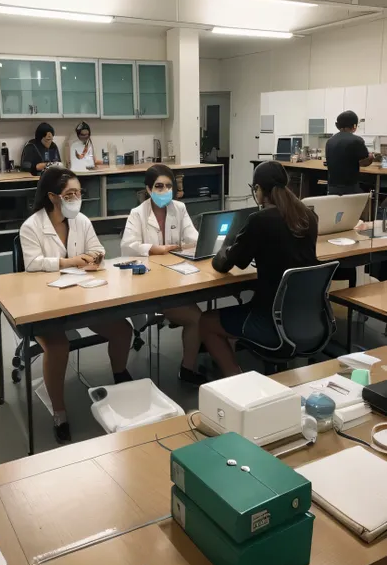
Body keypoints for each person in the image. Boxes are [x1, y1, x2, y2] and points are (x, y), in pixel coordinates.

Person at [20, 166, 132, 444]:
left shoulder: (80, 220)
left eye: (78, 193)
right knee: (58, 347)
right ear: (52, 196)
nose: (76, 199)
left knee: (123, 331)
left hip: (82, 298)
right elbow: (33, 265)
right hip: (45, 305)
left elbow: (98, 248)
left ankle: (120, 378)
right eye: (69, 194)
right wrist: (70, 262)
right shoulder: (32, 226)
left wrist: (94, 258)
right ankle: (60, 412)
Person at [200, 161, 318, 377]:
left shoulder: (259, 220)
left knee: (206, 322)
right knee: (236, 312)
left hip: (270, 319)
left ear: (258, 190)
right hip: (307, 317)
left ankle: (238, 380)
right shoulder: (308, 216)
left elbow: (229, 264)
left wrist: (228, 244)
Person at [121, 164, 205, 385]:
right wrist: (155, 249)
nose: (164, 190)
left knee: (197, 318)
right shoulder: (138, 214)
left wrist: (182, 245)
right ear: (148, 189)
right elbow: (127, 247)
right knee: (196, 317)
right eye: (158, 186)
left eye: (168, 186)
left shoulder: (179, 208)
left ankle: (187, 368)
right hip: (147, 285)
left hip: (175, 279)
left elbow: (195, 240)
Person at [325, 111, 374, 195]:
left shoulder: (329, 141)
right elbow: (365, 162)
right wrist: (371, 156)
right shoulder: (357, 140)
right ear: (354, 126)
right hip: (350, 189)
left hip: (332, 188)